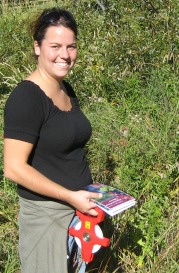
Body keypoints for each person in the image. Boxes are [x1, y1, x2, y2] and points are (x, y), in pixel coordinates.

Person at [3, 8, 102, 273]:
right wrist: (70, 195)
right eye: (55, 46)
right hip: (48, 219)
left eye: (71, 46)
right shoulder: (27, 98)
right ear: (37, 47)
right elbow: (13, 167)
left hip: (80, 213)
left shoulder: (65, 89)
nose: (65, 55)